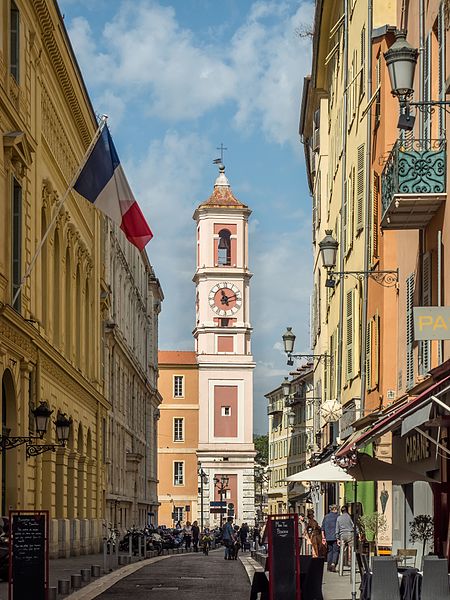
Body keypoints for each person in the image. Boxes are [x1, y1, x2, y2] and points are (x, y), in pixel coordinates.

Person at [336, 506, 355, 575]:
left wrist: (337, 538)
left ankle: (340, 571)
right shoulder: (349, 517)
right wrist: (358, 533)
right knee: (352, 550)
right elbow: (353, 525)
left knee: (342, 551)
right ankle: (352, 568)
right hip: (350, 534)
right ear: (347, 510)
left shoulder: (339, 518)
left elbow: (337, 528)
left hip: (342, 535)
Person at [322, 504, 339, 572]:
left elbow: (322, 528)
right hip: (335, 537)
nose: (337, 510)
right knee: (336, 551)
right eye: (337, 509)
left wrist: (323, 537)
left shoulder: (326, 517)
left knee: (329, 551)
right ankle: (333, 564)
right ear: (334, 509)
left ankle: (329, 566)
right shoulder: (337, 516)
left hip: (328, 537)